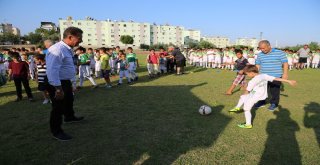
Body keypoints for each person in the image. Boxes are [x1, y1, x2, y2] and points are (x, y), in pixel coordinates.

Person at [46, 27, 84, 141]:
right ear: (70, 37)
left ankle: (69, 117)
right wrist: (58, 89)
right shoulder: (57, 49)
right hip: (57, 83)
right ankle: (56, 131)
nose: (81, 41)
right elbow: (52, 70)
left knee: (68, 100)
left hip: (65, 81)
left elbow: (67, 66)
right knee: (58, 107)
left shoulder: (67, 49)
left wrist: (72, 83)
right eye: (79, 38)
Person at [228, 65, 297, 129]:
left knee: (246, 108)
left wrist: (246, 95)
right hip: (262, 95)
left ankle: (248, 124)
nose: (247, 75)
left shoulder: (253, 81)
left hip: (255, 96)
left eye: (247, 74)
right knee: (242, 97)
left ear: (251, 73)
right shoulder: (264, 75)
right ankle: (237, 107)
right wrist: (288, 81)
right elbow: (276, 78)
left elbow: (247, 91)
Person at [255, 40, 288, 111]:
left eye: (264, 48)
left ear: (269, 46)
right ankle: (261, 102)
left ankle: (274, 103)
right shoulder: (260, 55)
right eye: (261, 48)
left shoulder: (280, 53)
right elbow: (257, 65)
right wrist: (256, 74)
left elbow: (285, 63)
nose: (262, 50)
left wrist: (285, 73)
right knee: (262, 90)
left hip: (275, 76)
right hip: (263, 76)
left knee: (274, 91)